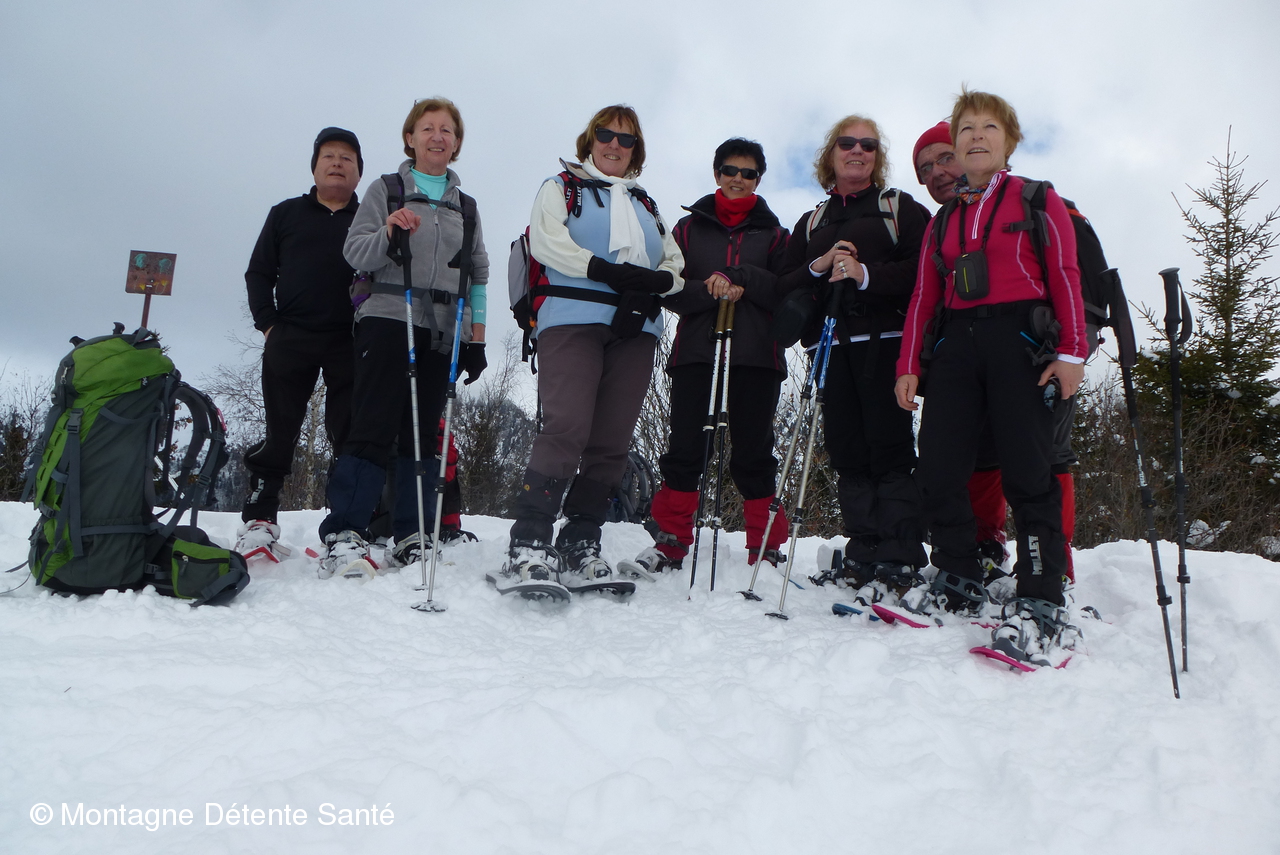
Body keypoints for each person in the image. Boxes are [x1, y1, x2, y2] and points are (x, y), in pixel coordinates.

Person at [895, 89, 1086, 665]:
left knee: (1028, 472)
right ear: (955, 145)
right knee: (938, 466)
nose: (976, 136)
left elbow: (1066, 274)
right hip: (957, 346)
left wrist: (1072, 353)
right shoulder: (942, 221)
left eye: (989, 127)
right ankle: (956, 574)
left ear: (1009, 141)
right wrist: (908, 365)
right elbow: (924, 297)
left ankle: (1041, 596)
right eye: (967, 129)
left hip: (1019, 342)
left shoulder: (1035, 198)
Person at [498, 105, 684, 597]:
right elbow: (546, 242)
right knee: (567, 427)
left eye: (626, 139)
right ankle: (529, 540)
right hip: (571, 318)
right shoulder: (562, 187)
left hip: (636, 328)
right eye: (606, 134)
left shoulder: (646, 205)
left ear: (636, 150)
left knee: (611, 440)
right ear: (590, 140)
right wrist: (602, 270)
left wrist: (659, 282)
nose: (614, 144)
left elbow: (674, 261)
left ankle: (581, 538)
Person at [318, 97, 489, 578]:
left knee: (423, 432)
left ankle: (413, 533)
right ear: (410, 138)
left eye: (447, 130)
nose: (437, 136)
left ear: (456, 143)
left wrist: (475, 338)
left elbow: (477, 275)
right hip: (388, 316)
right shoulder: (387, 190)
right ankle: (344, 532)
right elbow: (356, 252)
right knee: (372, 423)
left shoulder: (466, 207)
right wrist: (389, 231)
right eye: (427, 128)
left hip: (441, 330)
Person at [777, 115, 931, 603]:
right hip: (830, 345)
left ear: (877, 157)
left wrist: (866, 275)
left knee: (889, 446)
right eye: (847, 143)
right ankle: (865, 547)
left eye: (868, 144)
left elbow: (924, 269)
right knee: (847, 450)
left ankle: (900, 551)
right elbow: (784, 283)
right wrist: (817, 266)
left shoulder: (899, 208)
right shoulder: (812, 221)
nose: (857, 151)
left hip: (885, 342)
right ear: (831, 153)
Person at [625, 138, 791, 576]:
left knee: (754, 453)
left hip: (757, 357)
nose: (738, 179)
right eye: (730, 170)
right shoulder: (686, 230)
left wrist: (742, 280)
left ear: (758, 180)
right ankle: (671, 539)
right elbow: (669, 288)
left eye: (748, 173)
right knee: (685, 449)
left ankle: (765, 547)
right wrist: (711, 289)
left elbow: (785, 291)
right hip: (697, 353)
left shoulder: (776, 235)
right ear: (717, 173)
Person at [236, 127, 363, 562]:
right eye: (329, 156)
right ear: (314, 167)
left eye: (347, 158)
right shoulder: (286, 213)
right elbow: (258, 272)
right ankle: (260, 520)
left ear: (358, 173)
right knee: (280, 431)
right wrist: (268, 325)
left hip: (350, 340)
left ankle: (346, 525)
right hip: (290, 335)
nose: (337, 163)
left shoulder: (369, 219)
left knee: (349, 434)